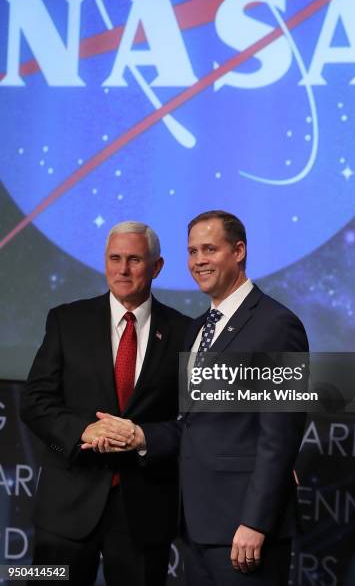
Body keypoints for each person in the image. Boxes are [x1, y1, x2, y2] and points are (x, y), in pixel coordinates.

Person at [90, 211, 309, 585]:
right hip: (197, 529)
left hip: (244, 533)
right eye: (192, 251)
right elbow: (193, 425)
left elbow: (280, 436)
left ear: (239, 251)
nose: (199, 261)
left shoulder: (277, 326)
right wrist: (140, 435)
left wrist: (256, 522)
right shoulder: (197, 329)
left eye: (210, 249)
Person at [20, 221, 190, 586]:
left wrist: (143, 437)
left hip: (145, 513)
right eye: (115, 258)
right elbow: (34, 401)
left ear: (157, 267)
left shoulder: (185, 333)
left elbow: (196, 424)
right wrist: (83, 429)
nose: (123, 270)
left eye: (134, 260)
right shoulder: (67, 320)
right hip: (65, 509)